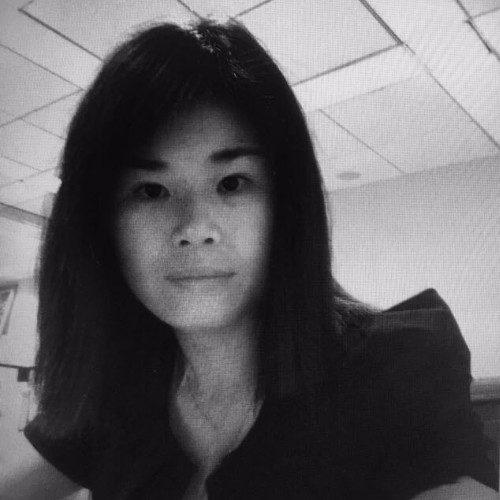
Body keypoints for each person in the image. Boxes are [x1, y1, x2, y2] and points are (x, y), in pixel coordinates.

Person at [0, 19, 497, 500]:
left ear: (286, 204)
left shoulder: (396, 371)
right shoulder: (117, 394)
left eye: (232, 183)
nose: (195, 228)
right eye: (150, 190)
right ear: (100, 227)